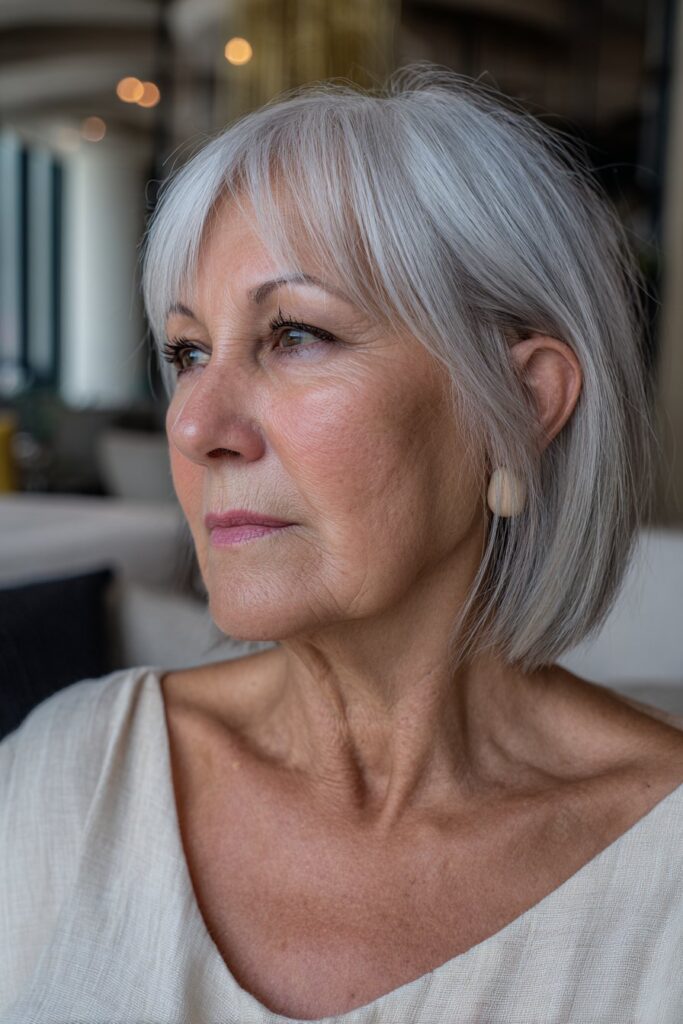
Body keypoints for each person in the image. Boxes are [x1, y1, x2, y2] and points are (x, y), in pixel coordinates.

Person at [2, 63, 682, 1024]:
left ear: (520, 407)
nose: (197, 426)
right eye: (187, 352)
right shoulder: (71, 778)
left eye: (294, 335)